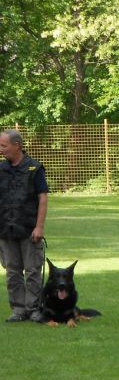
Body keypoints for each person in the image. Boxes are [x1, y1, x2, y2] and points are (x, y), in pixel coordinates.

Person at [0, 130, 49, 323]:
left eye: (4, 145)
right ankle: (18, 310)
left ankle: (34, 309)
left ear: (17, 145)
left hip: (29, 228)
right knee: (12, 271)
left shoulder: (34, 168)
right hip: (5, 229)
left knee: (32, 271)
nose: (1, 149)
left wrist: (39, 226)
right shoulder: (1, 169)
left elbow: (43, 198)